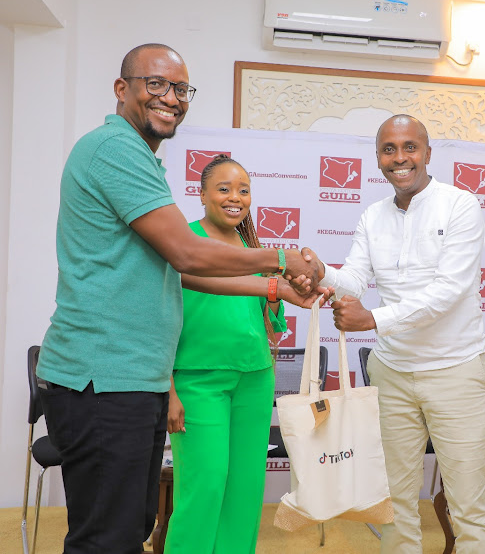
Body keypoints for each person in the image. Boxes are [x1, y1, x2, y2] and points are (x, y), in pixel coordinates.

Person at [35, 43, 323, 554]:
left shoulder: (139, 158)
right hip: (104, 378)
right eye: (156, 84)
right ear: (122, 90)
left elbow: (178, 275)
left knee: (132, 527)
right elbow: (189, 255)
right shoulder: (116, 150)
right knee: (108, 537)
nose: (171, 97)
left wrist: (277, 288)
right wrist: (281, 260)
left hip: (130, 379)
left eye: (181, 88)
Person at [323, 115, 485, 553]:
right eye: (388, 149)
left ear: (427, 153)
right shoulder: (372, 215)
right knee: (394, 503)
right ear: (378, 157)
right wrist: (317, 271)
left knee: (469, 506)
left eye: (409, 147)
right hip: (392, 373)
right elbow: (354, 278)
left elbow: (447, 293)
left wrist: (372, 320)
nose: (400, 158)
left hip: (454, 372)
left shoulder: (460, 205)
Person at [163, 154, 283, 553]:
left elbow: (270, 319)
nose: (236, 198)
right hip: (197, 383)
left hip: (254, 379)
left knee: (244, 492)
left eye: (244, 190)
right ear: (201, 194)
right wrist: (169, 389)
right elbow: (157, 318)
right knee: (205, 486)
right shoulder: (184, 243)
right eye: (224, 189)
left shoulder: (253, 246)